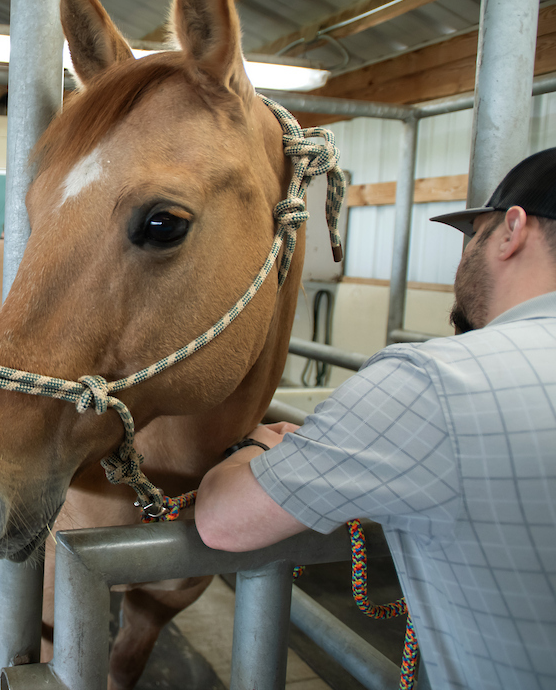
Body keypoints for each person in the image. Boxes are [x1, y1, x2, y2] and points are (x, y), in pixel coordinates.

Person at [196, 148, 556, 689]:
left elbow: (225, 520)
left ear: (511, 230)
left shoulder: (436, 383)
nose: (464, 259)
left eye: (473, 235)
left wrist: (251, 446)